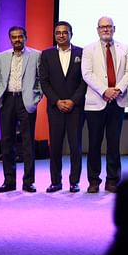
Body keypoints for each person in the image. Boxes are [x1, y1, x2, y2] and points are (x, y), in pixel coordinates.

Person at [81, 16, 128, 193]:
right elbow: (87, 74)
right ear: (97, 29)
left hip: (117, 102)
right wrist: (105, 90)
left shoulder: (124, 48)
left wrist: (117, 89)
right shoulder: (88, 49)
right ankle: (93, 180)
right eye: (102, 27)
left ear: (114, 28)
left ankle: (113, 180)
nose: (106, 29)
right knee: (94, 144)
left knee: (113, 144)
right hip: (96, 102)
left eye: (109, 26)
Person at [39, 21, 88, 193]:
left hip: (76, 108)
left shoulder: (82, 53)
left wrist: (73, 101)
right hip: (55, 107)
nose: (61, 35)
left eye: (64, 32)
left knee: (76, 146)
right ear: (54, 35)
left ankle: (74, 182)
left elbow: (85, 80)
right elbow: (44, 81)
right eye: (58, 32)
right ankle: (56, 181)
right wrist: (57, 101)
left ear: (71, 34)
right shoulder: (46, 54)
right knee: (56, 146)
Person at [0, 26, 42, 193]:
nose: (17, 40)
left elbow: (40, 79)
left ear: (25, 37)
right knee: (7, 142)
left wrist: (36, 99)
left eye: (20, 37)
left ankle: (28, 181)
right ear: (10, 39)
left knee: (28, 142)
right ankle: (9, 181)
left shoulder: (36, 55)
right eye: (13, 37)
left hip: (26, 100)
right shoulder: (1, 57)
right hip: (7, 100)